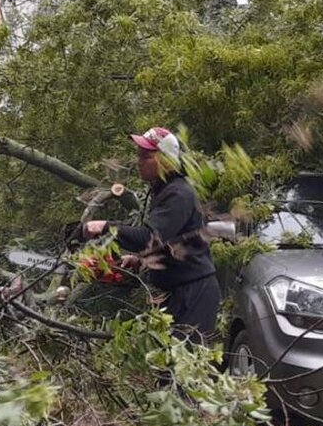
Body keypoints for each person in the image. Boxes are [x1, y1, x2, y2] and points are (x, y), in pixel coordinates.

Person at [83, 127, 221, 344]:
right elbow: (171, 240)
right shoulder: (164, 190)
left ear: (166, 161)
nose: (139, 161)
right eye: (139, 155)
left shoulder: (178, 194)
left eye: (146, 156)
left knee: (183, 368)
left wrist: (105, 226)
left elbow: (148, 237)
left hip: (194, 293)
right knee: (164, 366)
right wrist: (139, 259)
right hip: (175, 291)